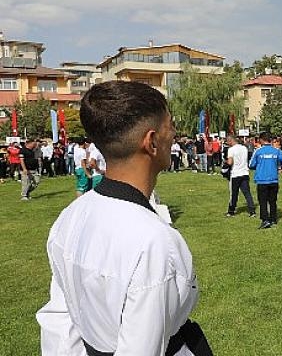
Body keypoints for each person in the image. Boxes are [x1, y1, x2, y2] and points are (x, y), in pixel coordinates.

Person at [36, 80, 212, 355]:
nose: (174, 134)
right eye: (171, 126)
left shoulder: (71, 216)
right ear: (152, 141)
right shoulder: (153, 242)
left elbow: (59, 322)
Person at [249, 131, 282, 229]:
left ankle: (265, 220)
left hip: (262, 180)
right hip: (273, 180)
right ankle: (273, 219)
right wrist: (281, 168)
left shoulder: (258, 151)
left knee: (262, 201)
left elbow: (251, 165)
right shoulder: (276, 151)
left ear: (261, 140)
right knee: (272, 201)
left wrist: (259, 167)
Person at [224, 135, 255, 218]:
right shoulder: (244, 148)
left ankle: (231, 211)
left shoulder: (231, 149)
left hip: (235, 174)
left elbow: (230, 162)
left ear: (230, 141)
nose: (227, 144)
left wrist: (225, 162)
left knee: (234, 194)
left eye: (227, 142)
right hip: (244, 173)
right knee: (247, 193)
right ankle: (252, 211)